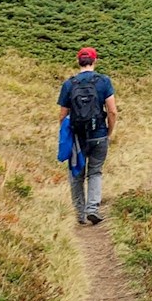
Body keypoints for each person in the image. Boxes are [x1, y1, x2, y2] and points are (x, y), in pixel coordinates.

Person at [57, 47, 117, 225]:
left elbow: (62, 116)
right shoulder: (104, 81)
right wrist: (108, 132)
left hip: (77, 137)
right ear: (95, 60)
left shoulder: (69, 84)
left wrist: (68, 134)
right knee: (95, 172)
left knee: (76, 174)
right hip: (99, 134)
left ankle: (79, 213)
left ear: (78, 61)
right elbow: (112, 111)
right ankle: (92, 209)